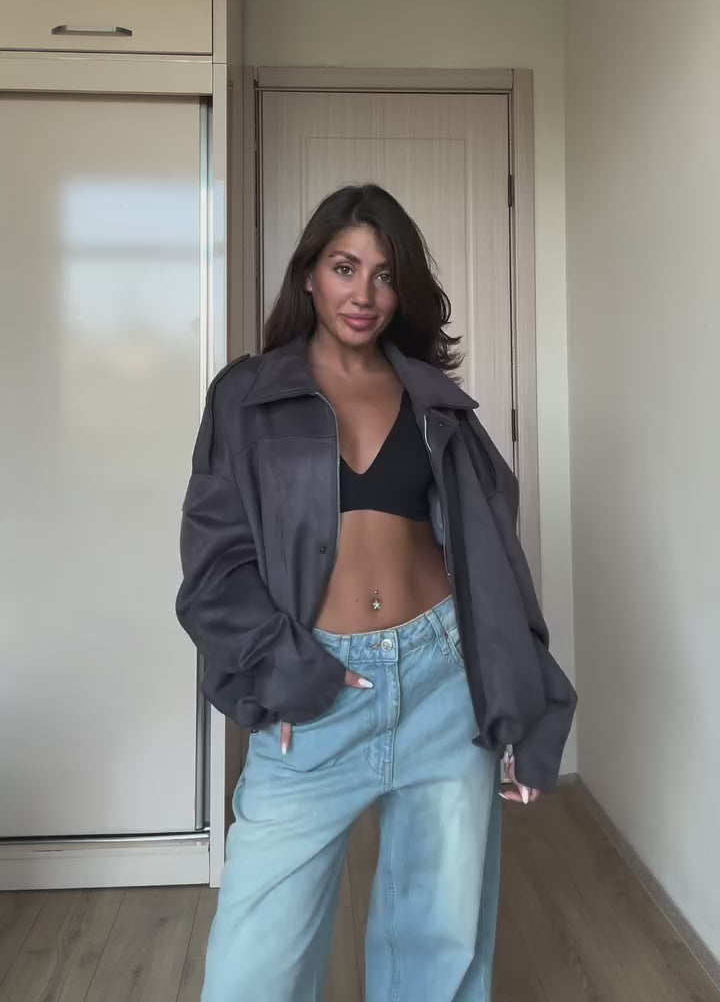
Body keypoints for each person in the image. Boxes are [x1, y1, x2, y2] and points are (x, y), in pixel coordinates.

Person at [177, 183, 576, 1002]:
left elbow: (496, 568)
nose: (364, 293)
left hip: (441, 682)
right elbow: (214, 565)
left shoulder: (437, 403)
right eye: (344, 267)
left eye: (385, 275)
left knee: (439, 950)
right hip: (313, 687)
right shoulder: (246, 395)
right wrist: (286, 669)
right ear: (310, 275)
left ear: (403, 292)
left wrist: (529, 708)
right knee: (253, 969)